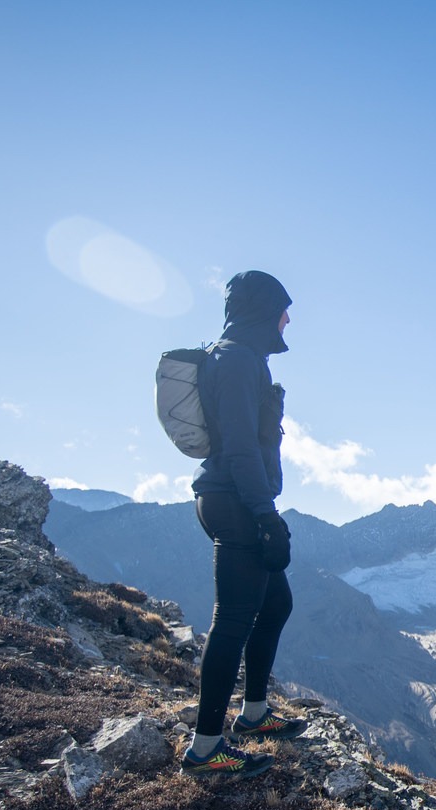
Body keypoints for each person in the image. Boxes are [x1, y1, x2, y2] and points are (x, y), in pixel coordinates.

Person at [180, 270, 308, 776]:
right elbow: (238, 446)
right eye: (283, 307)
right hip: (234, 503)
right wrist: (264, 515)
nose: (289, 318)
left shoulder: (240, 356)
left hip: (233, 499)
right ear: (263, 309)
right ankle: (206, 748)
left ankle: (254, 716)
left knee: (276, 603)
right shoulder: (235, 360)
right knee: (234, 618)